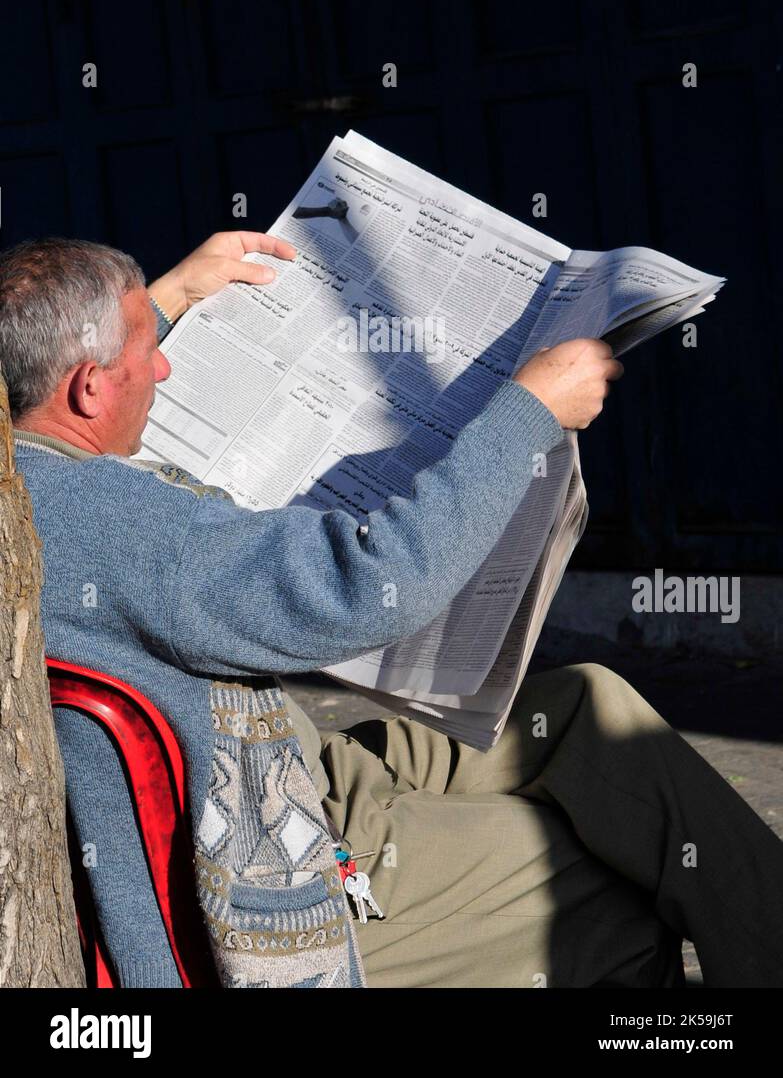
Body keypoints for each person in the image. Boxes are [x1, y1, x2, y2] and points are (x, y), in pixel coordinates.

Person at [1, 233, 781, 988]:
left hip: (301, 761)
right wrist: (527, 412)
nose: (165, 364)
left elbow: (59, 376)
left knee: (590, 706)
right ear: (90, 386)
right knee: (605, 874)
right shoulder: (125, 528)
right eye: (147, 349)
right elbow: (374, 582)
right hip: (296, 841)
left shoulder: (27, 479)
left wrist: (172, 294)